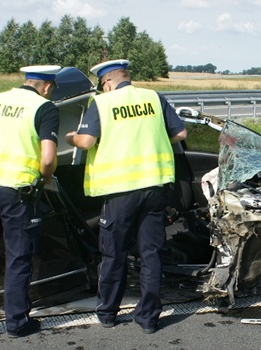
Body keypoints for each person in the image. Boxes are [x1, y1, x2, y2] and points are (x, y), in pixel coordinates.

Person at [65, 59, 187, 334]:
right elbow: (180, 133)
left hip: (119, 192)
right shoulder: (154, 98)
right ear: (126, 77)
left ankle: (108, 313)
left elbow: (85, 142)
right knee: (151, 253)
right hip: (154, 188)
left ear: (106, 82)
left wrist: (72, 137)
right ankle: (148, 318)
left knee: (113, 254)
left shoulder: (102, 103)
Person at [0, 65, 61, 343]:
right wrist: (44, 177)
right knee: (18, 256)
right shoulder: (44, 108)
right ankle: (17, 322)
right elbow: (49, 158)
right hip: (17, 191)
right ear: (48, 86)